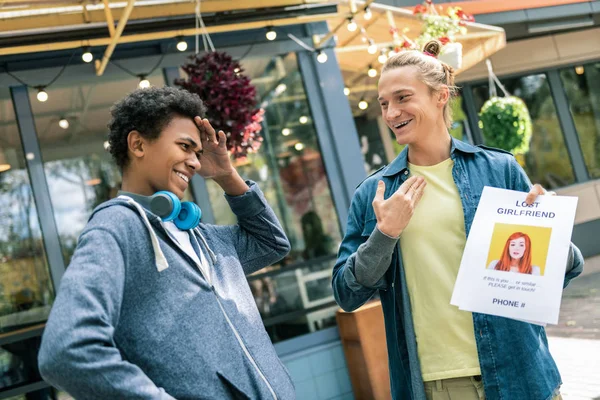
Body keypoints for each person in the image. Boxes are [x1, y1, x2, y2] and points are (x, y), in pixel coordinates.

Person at [332, 40, 583, 400]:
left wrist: (549, 229)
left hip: (522, 372)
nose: (390, 113)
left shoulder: (499, 169)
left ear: (441, 96)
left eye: (403, 98)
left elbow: (562, 271)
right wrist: (385, 234)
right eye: (384, 103)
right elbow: (346, 292)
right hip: (441, 384)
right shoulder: (375, 194)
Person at [38, 87, 295, 400]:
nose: (195, 163)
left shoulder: (201, 236)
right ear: (137, 144)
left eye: (197, 153)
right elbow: (65, 351)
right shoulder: (117, 226)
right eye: (184, 146)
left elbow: (271, 242)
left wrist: (227, 175)